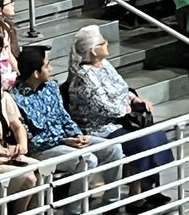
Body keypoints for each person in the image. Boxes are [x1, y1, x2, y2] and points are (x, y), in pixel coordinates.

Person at [65, 26, 173, 213]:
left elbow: (122, 87)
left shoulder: (105, 64)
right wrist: (124, 109)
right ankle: (136, 197)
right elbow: (103, 105)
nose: (107, 43)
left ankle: (149, 188)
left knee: (156, 135)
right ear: (93, 50)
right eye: (102, 42)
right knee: (144, 141)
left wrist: (134, 98)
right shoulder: (84, 76)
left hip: (120, 120)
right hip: (100, 127)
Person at [12, 46, 123, 215]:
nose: (51, 69)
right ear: (36, 72)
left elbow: (64, 117)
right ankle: (74, 211)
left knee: (114, 148)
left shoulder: (51, 87)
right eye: (47, 65)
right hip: (43, 149)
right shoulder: (16, 99)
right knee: (88, 160)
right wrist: (64, 141)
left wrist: (77, 134)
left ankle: (112, 205)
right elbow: (32, 140)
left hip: (66, 140)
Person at [0, 64, 38, 212]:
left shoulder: (5, 98)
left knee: (40, 168)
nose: (4, 86)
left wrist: (22, 145)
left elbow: (17, 126)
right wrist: (3, 152)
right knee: (29, 179)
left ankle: (36, 211)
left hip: (6, 155)